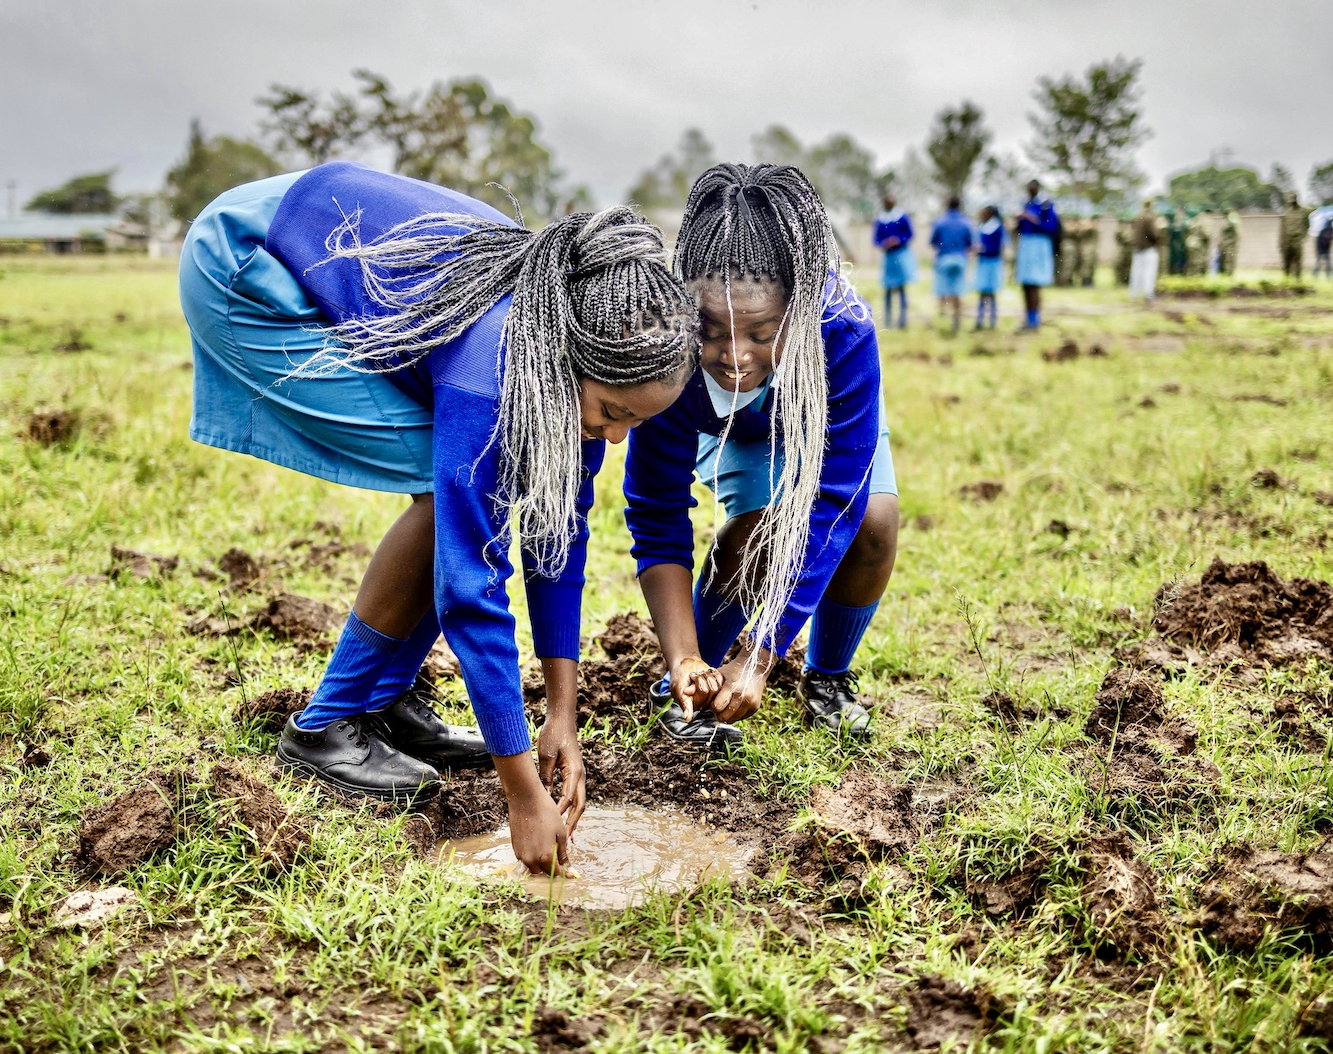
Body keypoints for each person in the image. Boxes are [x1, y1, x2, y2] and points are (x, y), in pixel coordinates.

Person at [180, 161, 697, 873]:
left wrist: (562, 714)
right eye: (611, 412)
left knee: (466, 486)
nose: (615, 439)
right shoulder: (491, 372)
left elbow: (557, 539)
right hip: (249, 262)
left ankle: (384, 703)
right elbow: (468, 582)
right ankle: (325, 725)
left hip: (302, 235)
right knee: (442, 488)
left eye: (634, 423)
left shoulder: (567, 341)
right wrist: (519, 790)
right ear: (564, 361)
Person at [625, 163, 898, 749]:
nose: (735, 357)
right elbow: (656, 511)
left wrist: (763, 651)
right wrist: (683, 655)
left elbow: (835, 497)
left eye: (761, 332)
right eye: (712, 330)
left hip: (813, 425)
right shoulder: (664, 343)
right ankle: (690, 679)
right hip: (727, 432)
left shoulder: (840, 329)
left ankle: (827, 679)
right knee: (754, 535)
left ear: (797, 308)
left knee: (872, 523)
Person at [1014, 179, 1059, 331]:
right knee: (1025, 283)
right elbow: (1020, 228)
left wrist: (1032, 219)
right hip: (1026, 244)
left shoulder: (1046, 204)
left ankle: (1035, 321)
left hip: (1039, 245)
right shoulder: (1026, 204)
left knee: (1034, 284)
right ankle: (1027, 319)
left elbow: (1051, 227)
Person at [929, 194, 973, 335]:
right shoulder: (966, 222)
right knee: (957, 291)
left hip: (944, 258)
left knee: (942, 290)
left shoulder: (940, 222)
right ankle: (957, 321)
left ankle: (942, 321)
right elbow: (970, 243)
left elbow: (933, 241)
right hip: (960, 258)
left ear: (947, 205)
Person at [873, 192, 916, 329]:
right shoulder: (880, 219)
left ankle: (902, 320)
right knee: (888, 288)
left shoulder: (902, 217)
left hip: (900, 255)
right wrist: (884, 243)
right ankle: (887, 320)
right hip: (888, 257)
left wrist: (898, 240)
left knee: (901, 287)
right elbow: (876, 239)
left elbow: (909, 234)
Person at [973, 205, 1005, 328]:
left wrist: (982, 250)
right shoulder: (982, 227)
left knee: (991, 292)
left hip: (992, 262)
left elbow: (996, 248)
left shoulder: (997, 227)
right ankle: (980, 320)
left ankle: (992, 321)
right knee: (982, 291)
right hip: (983, 262)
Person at [1129, 199, 1161, 302]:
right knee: (1149, 272)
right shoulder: (1149, 218)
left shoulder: (1138, 217)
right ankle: (1149, 294)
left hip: (1138, 248)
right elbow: (1155, 234)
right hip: (1149, 248)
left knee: (1136, 273)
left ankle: (1133, 295)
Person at [1280, 193, 1309, 279]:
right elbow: (1282, 229)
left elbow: (1307, 226)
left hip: (1297, 240)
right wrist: (1281, 242)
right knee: (1286, 261)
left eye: (1293, 201)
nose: (1291, 203)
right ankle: (1286, 279)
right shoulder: (1286, 212)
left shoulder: (1302, 212)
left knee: (1298, 261)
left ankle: (1298, 279)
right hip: (1287, 240)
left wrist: (1302, 237)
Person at [1112, 216, 1134, 288]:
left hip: (1128, 250)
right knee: (1119, 265)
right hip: (1121, 250)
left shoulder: (1131, 230)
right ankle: (1119, 280)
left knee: (1127, 265)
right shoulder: (1119, 231)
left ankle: (1126, 280)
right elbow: (1122, 239)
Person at [1219, 210, 1240, 277]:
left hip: (1229, 245)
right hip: (1227, 244)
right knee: (1227, 259)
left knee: (1229, 259)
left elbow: (1236, 231)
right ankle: (1226, 274)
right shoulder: (1229, 220)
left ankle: (1228, 274)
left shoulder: (1232, 219)